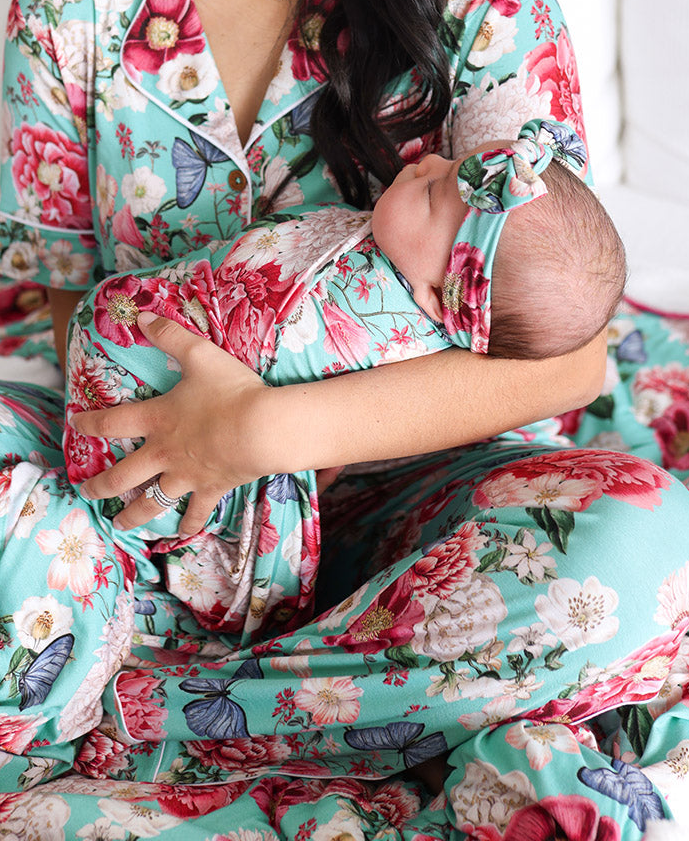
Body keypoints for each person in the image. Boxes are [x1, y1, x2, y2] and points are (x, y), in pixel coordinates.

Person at [0, 0, 689, 831]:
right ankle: (175, 653)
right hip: (145, 493)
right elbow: (78, 313)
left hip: (413, 495)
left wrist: (267, 435)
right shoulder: (69, 9)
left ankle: (131, 706)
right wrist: (166, 487)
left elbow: (566, 358)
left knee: (639, 551)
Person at [63, 128, 627, 646]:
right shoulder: (395, 246)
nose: (425, 161)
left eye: (434, 192)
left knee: (612, 554)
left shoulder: (373, 322)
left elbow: (579, 360)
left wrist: (270, 430)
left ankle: (213, 689)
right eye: (447, 164)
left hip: (251, 462)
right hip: (137, 377)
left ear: (436, 298)